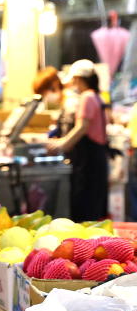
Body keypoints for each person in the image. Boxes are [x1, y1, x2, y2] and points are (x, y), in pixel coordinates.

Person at [47, 59, 110, 221]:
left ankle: (83, 246)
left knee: (84, 209)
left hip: (88, 162)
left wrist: (62, 144)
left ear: (80, 79)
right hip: (98, 159)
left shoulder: (87, 97)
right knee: (95, 209)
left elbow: (82, 127)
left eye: (74, 79)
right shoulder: (98, 96)